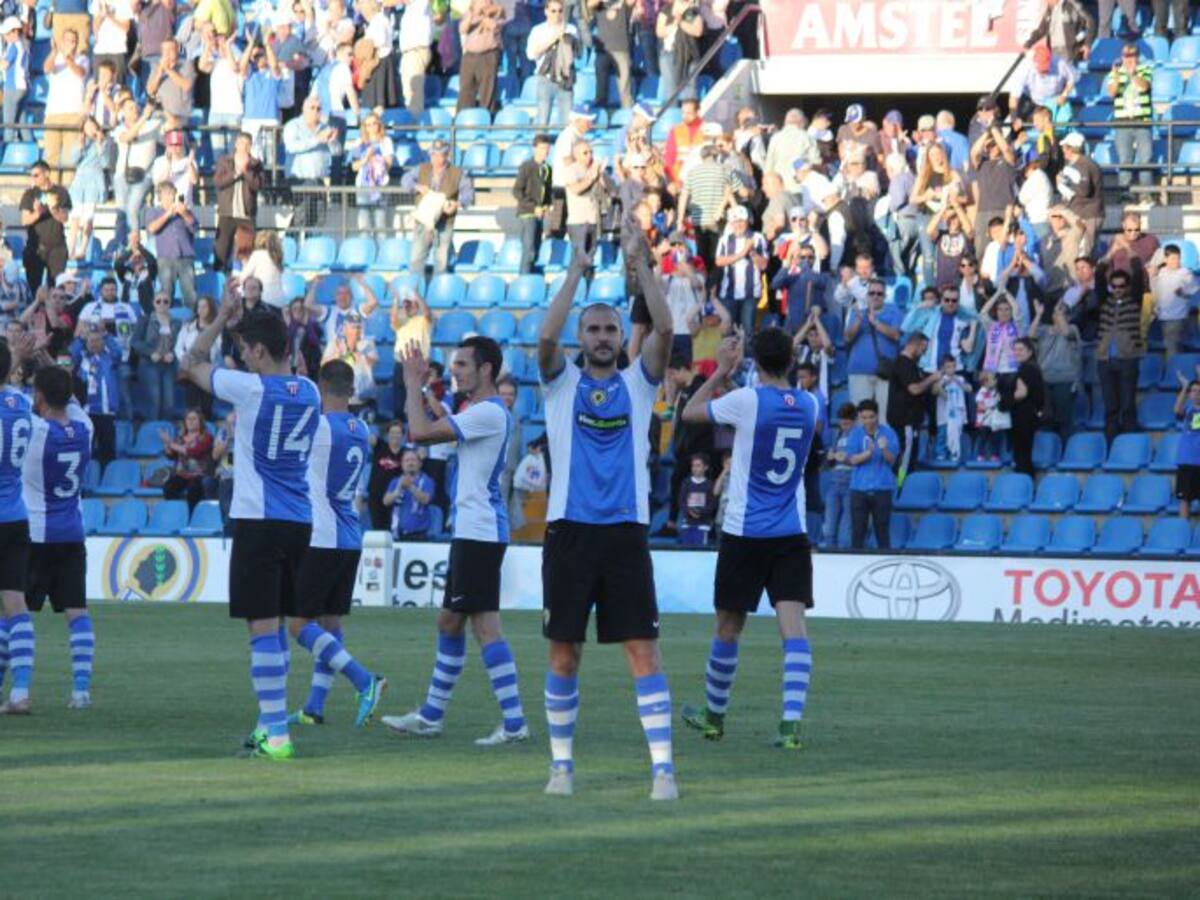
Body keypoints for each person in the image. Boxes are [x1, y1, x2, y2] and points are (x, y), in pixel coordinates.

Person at [536, 244, 678, 799]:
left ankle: (663, 770)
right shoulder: (560, 383)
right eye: (592, 329)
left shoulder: (640, 384)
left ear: (621, 339)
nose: (600, 337)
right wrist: (575, 272)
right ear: (582, 337)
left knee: (642, 650)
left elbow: (664, 329)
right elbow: (545, 341)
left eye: (609, 329)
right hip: (568, 532)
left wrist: (643, 268)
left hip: (624, 534)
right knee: (563, 652)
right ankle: (562, 767)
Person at [179, 295, 321, 761]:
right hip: (299, 520)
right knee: (277, 624)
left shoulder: (250, 389)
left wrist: (219, 319)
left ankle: (277, 734)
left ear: (260, 352)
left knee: (261, 627)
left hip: (259, 519)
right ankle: (268, 724)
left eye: (244, 349)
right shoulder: (312, 390)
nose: (240, 356)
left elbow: (192, 361)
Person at [384, 335, 530, 745]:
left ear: (486, 369)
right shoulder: (481, 411)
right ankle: (432, 715)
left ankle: (514, 722)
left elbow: (419, 432)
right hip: (474, 530)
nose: (455, 372)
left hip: (480, 532)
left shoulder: (488, 412)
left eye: (462, 365)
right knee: (450, 621)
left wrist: (413, 385)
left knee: (485, 628)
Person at [678, 326, 818, 748]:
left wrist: (721, 370)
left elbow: (690, 412)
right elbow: (772, 413)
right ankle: (791, 727)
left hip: (745, 530)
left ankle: (714, 717)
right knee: (794, 630)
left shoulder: (745, 400)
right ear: (792, 360)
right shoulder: (813, 404)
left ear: (755, 360)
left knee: (728, 627)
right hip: (791, 532)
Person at [286, 359, 386, 729]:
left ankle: (364, 680)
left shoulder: (320, 428)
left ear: (320, 385)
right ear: (351, 389)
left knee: (298, 624)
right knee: (329, 624)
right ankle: (314, 706)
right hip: (349, 534)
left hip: (322, 536)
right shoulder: (361, 429)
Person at [401, 139, 474, 275]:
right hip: (423, 220)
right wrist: (416, 186)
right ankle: (415, 293)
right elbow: (405, 179)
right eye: (434, 154)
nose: (436, 158)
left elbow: (468, 195)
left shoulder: (458, 173)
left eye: (440, 154)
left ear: (447, 155)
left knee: (441, 262)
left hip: (445, 222)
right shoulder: (422, 168)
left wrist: (457, 204)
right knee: (416, 259)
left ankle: (438, 293)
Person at [1096, 267, 1144, 445]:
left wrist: (1133, 259)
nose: (1117, 290)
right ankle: (1111, 444)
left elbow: (1138, 279)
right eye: (1114, 286)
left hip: (1128, 360)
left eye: (1121, 286)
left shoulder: (1134, 302)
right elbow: (1099, 281)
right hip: (1105, 360)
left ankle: (1128, 445)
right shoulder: (1105, 303)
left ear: (1127, 287)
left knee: (1127, 404)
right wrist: (1105, 262)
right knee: (1110, 407)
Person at [887, 331, 938, 481]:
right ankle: (900, 485)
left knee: (910, 456)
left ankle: (903, 485)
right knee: (905, 458)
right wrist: (932, 379)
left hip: (911, 420)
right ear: (917, 344)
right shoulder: (903, 363)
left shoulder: (912, 365)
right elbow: (914, 389)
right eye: (924, 349)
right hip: (905, 420)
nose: (924, 353)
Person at [843, 277, 899, 412]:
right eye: (872, 293)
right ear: (867, 295)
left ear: (885, 296)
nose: (875, 296)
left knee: (885, 418)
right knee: (860, 417)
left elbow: (896, 335)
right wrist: (857, 321)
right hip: (859, 370)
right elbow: (848, 337)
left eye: (879, 293)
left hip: (886, 372)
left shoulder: (894, 311)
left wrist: (876, 323)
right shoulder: (858, 312)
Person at [846, 398, 896, 550]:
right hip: (859, 489)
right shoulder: (855, 434)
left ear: (877, 415)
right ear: (860, 417)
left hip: (882, 488)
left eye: (871, 417)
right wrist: (869, 452)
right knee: (857, 532)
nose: (868, 421)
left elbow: (892, 460)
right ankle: (855, 567)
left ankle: (886, 567)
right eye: (864, 418)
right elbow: (852, 460)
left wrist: (884, 449)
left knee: (882, 532)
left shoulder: (888, 433)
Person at [68, 324, 120, 466]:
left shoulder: (110, 359)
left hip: (106, 412)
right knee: (86, 449)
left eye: (97, 340)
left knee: (107, 449)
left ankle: (107, 478)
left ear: (103, 343)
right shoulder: (82, 360)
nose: (94, 343)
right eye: (90, 341)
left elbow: (118, 351)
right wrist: (80, 338)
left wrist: (106, 335)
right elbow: (69, 354)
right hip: (87, 412)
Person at [41, 29, 89, 182]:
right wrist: (55, 52)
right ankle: (51, 191)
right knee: (51, 156)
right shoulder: (56, 58)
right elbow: (46, 68)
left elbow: (80, 73)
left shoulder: (82, 59)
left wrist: (68, 58)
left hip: (73, 113)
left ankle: (67, 192)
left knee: (70, 157)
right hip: (54, 113)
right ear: (62, 42)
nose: (72, 44)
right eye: (68, 40)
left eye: (74, 41)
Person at [1106, 42, 1153, 194]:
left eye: (1132, 56)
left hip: (1142, 121)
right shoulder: (1116, 73)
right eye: (1126, 56)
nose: (1129, 59)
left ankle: (1146, 194)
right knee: (1124, 160)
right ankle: (1125, 193)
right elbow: (1111, 93)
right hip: (1123, 122)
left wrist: (1133, 74)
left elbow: (1145, 86)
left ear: (1137, 57)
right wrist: (1118, 77)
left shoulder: (1145, 69)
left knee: (1145, 159)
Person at [214, 132, 264, 272]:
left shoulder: (256, 164)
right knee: (221, 251)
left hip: (246, 214)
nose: (244, 147)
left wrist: (246, 171)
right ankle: (219, 283)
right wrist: (236, 173)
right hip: (227, 214)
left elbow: (258, 185)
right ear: (236, 144)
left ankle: (248, 283)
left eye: (248, 144)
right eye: (242, 143)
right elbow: (218, 182)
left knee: (247, 253)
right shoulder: (224, 161)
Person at [112, 96, 161, 239]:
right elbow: (126, 137)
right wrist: (144, 117)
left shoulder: (152, 125)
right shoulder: (119, 129)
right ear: (123, 113)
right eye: (130, 108)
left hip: (144, 175)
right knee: (121, 213)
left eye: (136, 107)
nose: (135, 110)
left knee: (132, 208)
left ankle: (135, 247)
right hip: (122, 175)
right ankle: (121, 247)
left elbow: (170, 127)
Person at [714, 204, 767, 335]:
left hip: (750, 293)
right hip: (728, 293)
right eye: (735, 221)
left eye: (741, 221)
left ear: (747, 221)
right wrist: (742, 253)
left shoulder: (758, 237)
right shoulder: (724, 240)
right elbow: (719, 261)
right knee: (728, 332)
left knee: (747, 332)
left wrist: (752, 252)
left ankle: (748, 356)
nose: (738, 225)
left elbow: (764, 265)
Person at [144, 181, 197, 310]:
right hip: (165, 258)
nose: (171, 197)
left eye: (172, 194)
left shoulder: (185, 210)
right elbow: (152, 228)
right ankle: (165, 323)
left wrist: (184, 213)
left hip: (185, 256)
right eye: (167, 194)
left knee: (190, 294)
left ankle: (194, 322)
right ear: (160, 196)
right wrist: (168, 214)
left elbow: (194, 227)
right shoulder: (153, 212)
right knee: (166, 294)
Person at [20, 161, 72, 290]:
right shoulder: (29, 194)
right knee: (33, 287)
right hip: (35, 248)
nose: (33, 179)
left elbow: (64, 218)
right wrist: (37, 213)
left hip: (57, 247)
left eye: (36, 175)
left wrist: (53, 208)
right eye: (31, 176)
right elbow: (24, 220)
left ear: (47, 173)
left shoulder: (61, 192)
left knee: (55, 288)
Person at [1035, 300, 1082, 442]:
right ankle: (1049, 450)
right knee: (1045, 418)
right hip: (1044, 380)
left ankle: (1064, 450)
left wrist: (1059, 312)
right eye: (1055, 313)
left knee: (1063, 419)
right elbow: (1030, 335)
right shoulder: (1044, 330)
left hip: (1065, 381)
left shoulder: (1073, 329)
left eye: (1062, 313)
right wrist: (1038, 315)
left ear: (1068, 317)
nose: (1057, 316)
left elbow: (1066, 332)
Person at [527, 0, 579, 127]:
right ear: (546, 12)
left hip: (565, 79)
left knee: (567, 123)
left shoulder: (571, 29)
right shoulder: (538, 30)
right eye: (553, 11)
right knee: (542, 121)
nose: (557, 14)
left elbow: (577, 54)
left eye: (560, 11)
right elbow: (531, 54)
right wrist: (554, 38)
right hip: (545, 79)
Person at [65, 117, 110, 261]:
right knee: (75, 216)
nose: (90, 129)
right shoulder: (80, 142)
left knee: (88, 218)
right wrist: (80, 146)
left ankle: (83, 249)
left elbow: (105, 163)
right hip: (80, 181)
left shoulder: (104, 142)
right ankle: (70, 248)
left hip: (94, 181)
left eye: (92, 126)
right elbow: (73, 160)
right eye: (87, 126)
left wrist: (99, 145)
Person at [131, 291, 181, 420]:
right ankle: (152, 430)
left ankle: (166, 431)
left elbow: (181, 344)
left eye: (166, 301)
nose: (162, 304)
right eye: (159, 301)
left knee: (169, 402)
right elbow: (135, 341)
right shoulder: (145, 320)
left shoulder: (177, 322)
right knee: (155, 400)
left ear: (170, 304)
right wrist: (151, 353)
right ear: (154, 303)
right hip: (149, 364)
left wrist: (173, 354)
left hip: (168, 365)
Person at [349, 112, 396, 234]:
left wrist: (377, 160)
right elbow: (354, 166)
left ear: (379, 125)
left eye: (374, 123)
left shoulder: (386, 141)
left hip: (380, 185)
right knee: (364, 223)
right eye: (368, 124)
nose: (371, 127)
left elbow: (389, 164)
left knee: (380, 222)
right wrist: (366, 158)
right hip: (362, 186)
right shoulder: (358, 142)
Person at [1056, 133, 1104, 253]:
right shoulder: (1075, 165)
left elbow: (1084, 190)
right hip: (1080, 214)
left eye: (1065, 147)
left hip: (1088, 216)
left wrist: (1064, 184)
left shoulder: (1085, 165)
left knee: (1084, 254)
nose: (1063, 150)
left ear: (1071, 148)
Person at [513, 134, 553, 275]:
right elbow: (517, 191)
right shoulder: (526, 167)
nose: (545, 151)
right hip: (527, 213)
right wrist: (533, 206)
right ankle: (523, 278)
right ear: (535, 148)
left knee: (536, 247)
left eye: (548, 148)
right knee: (528, 249)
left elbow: (547, 191)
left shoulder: (548, 168)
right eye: (542, 148)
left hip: (540, 215)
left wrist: (548, 205)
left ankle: (532, 278)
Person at [160, 408, 214, 511]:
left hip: (200, 475)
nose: (190, 422)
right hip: (182, 474)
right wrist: (167, 445)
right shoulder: (181, 437)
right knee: (169, 488)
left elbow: (195, 452)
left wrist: (171, 444)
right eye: (188, 419)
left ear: (200, 421)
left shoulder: (207, 437)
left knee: (193, 491)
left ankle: (192, 518)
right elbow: (172, 456)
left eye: (194, 419)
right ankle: (175, 514)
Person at [1152, 245, 1200, 358]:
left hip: (1177, 316)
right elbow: (1157, 290)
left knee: (1171, 346)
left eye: (1178, 258)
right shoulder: (1161, 273)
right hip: (1163, 316)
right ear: (1165, 259)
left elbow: (1195, 291)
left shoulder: (1185, 273)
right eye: (1173, 258)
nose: (1176, 261)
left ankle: (1172, 369)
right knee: (1171, 344)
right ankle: (1176, 367)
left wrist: (1183, 293)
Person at [457, 0, 503, 114]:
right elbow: (462, 29)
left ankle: (486, 118)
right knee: (466, 90)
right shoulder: (470, 12)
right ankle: (463, 118)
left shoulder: (497, 9)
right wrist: (473, 15)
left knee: (487, 91)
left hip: (488, 55)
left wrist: (484, 16)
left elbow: (495, 26)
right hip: (469, 56)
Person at [1009, 337, 1045, 477]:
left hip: (1023, 415)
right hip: (1029, 414)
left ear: (1030, 352)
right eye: (1015, 350)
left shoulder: (1025, 369)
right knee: (1024, 450)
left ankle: (1024, 481)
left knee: (1022, 452)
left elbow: (1021, 394)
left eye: (1021, 350)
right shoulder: (1033, 367)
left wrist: (1004, 400)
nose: (1017, 352)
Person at [384, 447, 435, 539]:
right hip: (397, 533)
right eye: (407, 460)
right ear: (402, 464)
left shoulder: (427, 481)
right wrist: (398, 490)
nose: (410, 463)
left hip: (420, 535)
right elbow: (386, 501)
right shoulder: (395, 482)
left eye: (413, 460)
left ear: (420, 464)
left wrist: (410, 486)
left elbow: (426, 500)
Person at [397, 0, 434, 117]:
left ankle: (416, 123)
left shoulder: (421, 4)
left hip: (416, 50)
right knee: (408, 93)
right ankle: (412, 120)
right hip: (408, 52)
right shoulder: (410, 10)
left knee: (414, 92)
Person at [931, 355, 968, 463]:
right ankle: (941, 454)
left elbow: (968, 388)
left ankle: (954, 453)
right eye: (948, 367)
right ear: (943, 368)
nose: (951, 369)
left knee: (955, 434)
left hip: (957, 414)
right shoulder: (940, 380)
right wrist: (943, 383)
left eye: (953, 366)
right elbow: (934, 391)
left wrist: (958, 382)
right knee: (943, 434)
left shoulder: (960, 379)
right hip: (944, 414)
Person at [1173, 376, 1200, 520]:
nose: (1196, 394)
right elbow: (1177, 409)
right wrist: (1184, 388)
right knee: (1185, 499)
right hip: (1187, 461)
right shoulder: (1188, 410)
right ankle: (1182, 531)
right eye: (1193, 391)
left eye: (1199, 391)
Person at [974, 371, 1010, 461]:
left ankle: (995, 455)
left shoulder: (996, 391)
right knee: (983, 438)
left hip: (994, 420)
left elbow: (999, 402)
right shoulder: (982, 391)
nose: (995, 381)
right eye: (993, 379)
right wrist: (988, 408)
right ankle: (980, 455)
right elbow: (979, 404)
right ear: (985, 382)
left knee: (996, 438)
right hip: (984, 420)